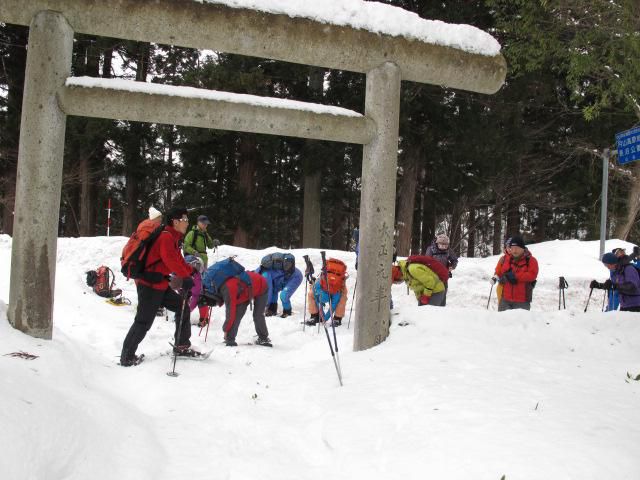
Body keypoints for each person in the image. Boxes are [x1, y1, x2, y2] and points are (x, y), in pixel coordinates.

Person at [120, 207, 197, 367]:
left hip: (160, 283)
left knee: (182, 307)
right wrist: (186, 276)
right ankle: (127, 357)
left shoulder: (172, 237)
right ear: (175, 222)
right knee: (143, 322)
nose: (187, 223)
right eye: (185, 220)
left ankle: (181, 345)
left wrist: (190, 271)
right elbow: (171, 261)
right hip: (149, 285)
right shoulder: (166, 237)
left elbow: (178, 259)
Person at [201, 260, 272, 347]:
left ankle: (263, 338)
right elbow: (233, 313)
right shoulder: (219, 286)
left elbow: (230, 311)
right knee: (237, 314)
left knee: (257, 315)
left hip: (261, 285)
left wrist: (226, 329)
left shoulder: (228, 288)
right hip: (243, 291)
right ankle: (230, 339)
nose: (216, 304)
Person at [494, 235, 539, 311]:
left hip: (522, 301)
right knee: (502, 322)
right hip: (505, 299)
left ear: (522, 248)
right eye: (512, 248)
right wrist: (498, 277)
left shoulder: (531, 260)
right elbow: (501, 271)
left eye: (517, 248)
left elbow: (532, 275)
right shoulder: (506, 259)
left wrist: (515, 276)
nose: (514, 251)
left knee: (520, 322)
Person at [258, 252, 303, 318]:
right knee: (274, 290)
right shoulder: (263, 272)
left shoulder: (265, 275)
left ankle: (287, 311)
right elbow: (271, 290)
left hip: (295, 277)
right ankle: (272, 309)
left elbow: (267, 291)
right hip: (283, 277)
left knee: (284, 295)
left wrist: (265, 305)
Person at [424, 234, 458, 306]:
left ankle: (442, 308)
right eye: (441, 244)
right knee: (432, 290)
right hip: (432, 275)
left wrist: (452, 266)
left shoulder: (449, 250)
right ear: (437, 243)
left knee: (443, 291)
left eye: (445, 245)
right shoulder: (431, 249)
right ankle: (430, 306)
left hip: (444, 274)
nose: (443, 246)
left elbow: (454, 260)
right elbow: (426, 260)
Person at [491, 237, 512, 304]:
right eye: (508, 247)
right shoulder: (502, 259)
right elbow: (498, 271)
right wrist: (494, 278)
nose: (509, 249)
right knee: (502, 306)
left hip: (513, 288)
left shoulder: (519, 259)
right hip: (502, 286)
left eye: (511, 247)